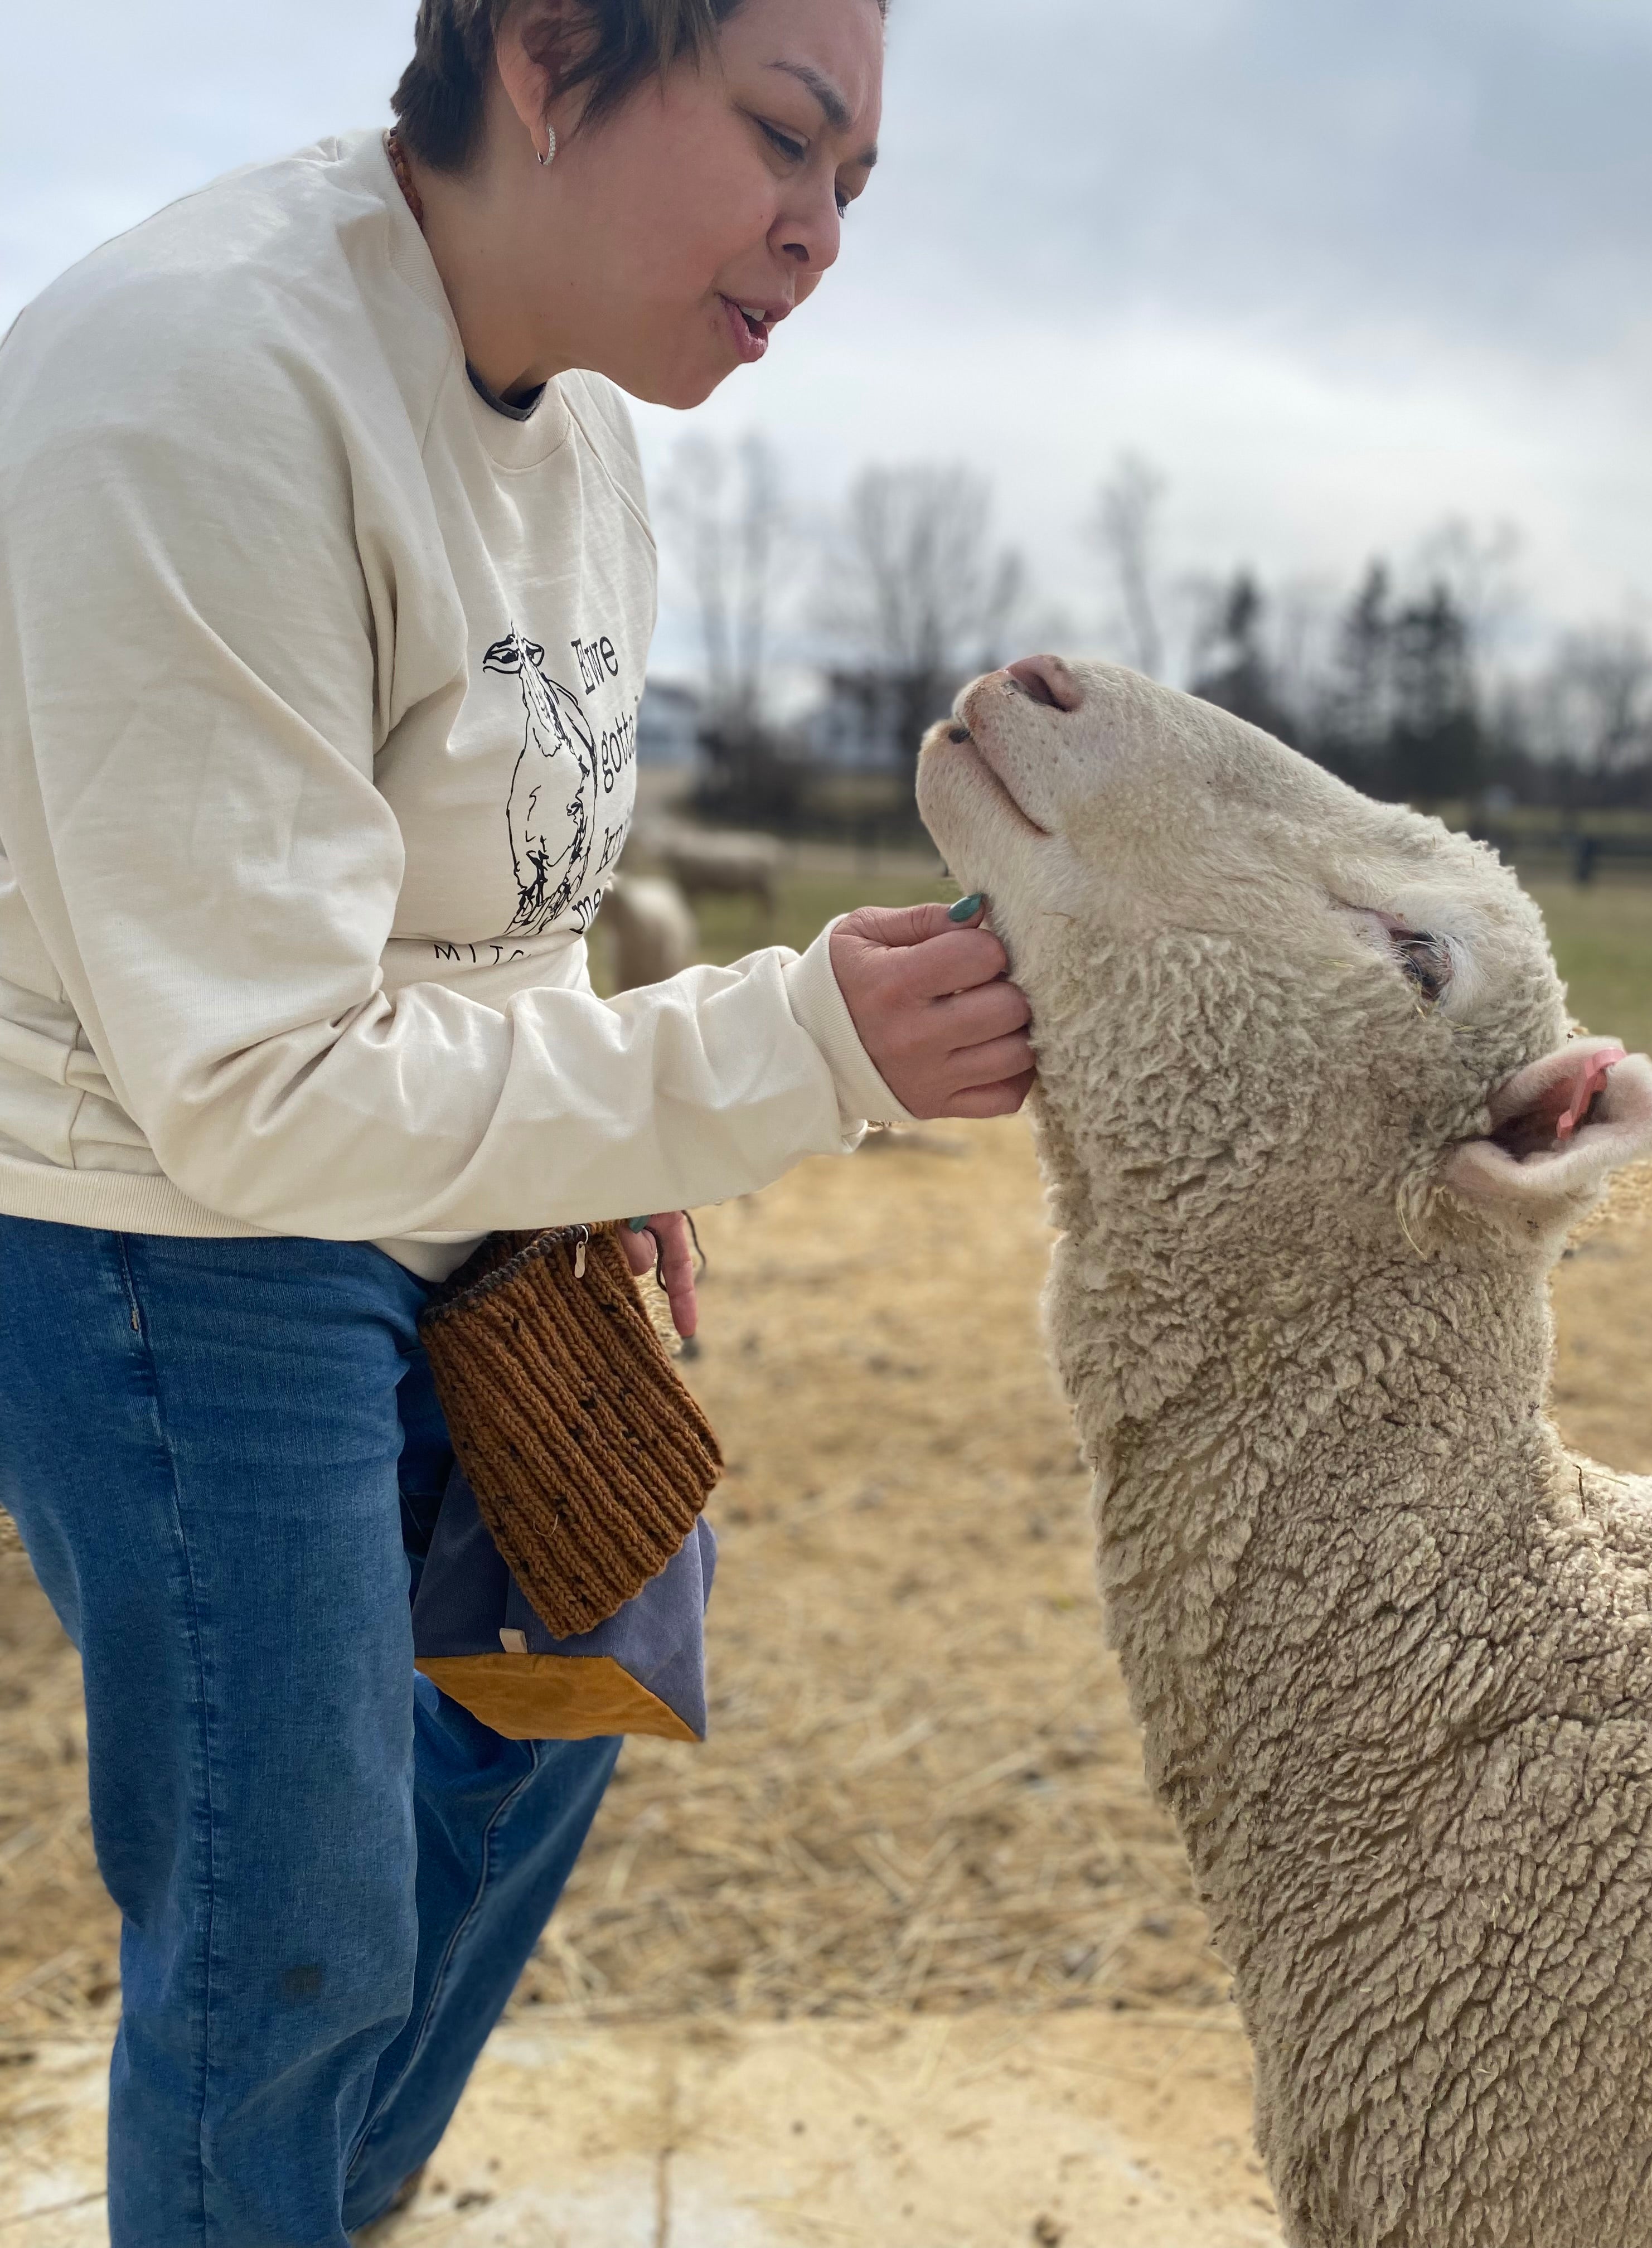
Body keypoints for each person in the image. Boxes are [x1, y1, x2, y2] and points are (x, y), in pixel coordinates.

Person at [0, 2, 1034, 2241]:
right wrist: (790, 1054)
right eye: (786, 137)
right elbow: (251, 1082)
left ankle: (313, 2195)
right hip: (166, 1226)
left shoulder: (582, 431)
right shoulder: (199, 385)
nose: (820, 233)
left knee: (560, 1677)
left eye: (854, 185)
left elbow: (500, 885)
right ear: (553, 55)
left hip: (409, 1168)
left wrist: (611, 1143)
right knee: (287, 1918)